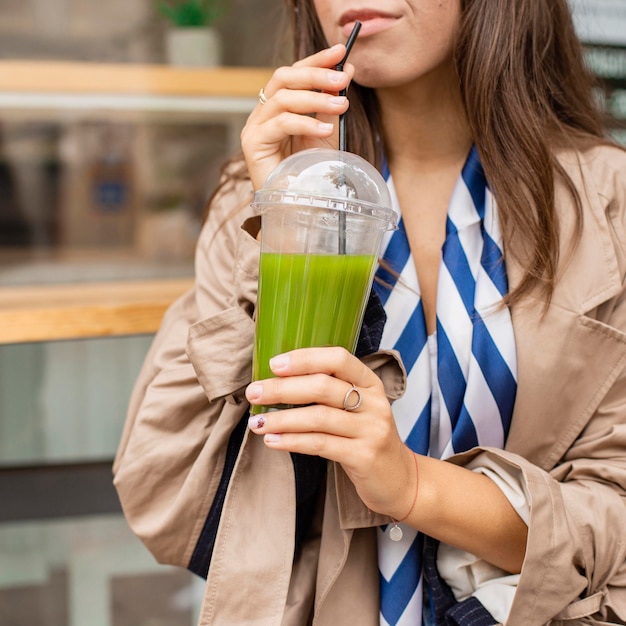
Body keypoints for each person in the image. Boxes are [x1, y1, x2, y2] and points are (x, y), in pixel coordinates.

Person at [113, 0, 626, 624]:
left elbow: (615, 513)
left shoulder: (610, 205)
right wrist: (295, 219)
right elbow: (166, 501)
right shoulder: (251, 200)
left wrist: (413, 486)